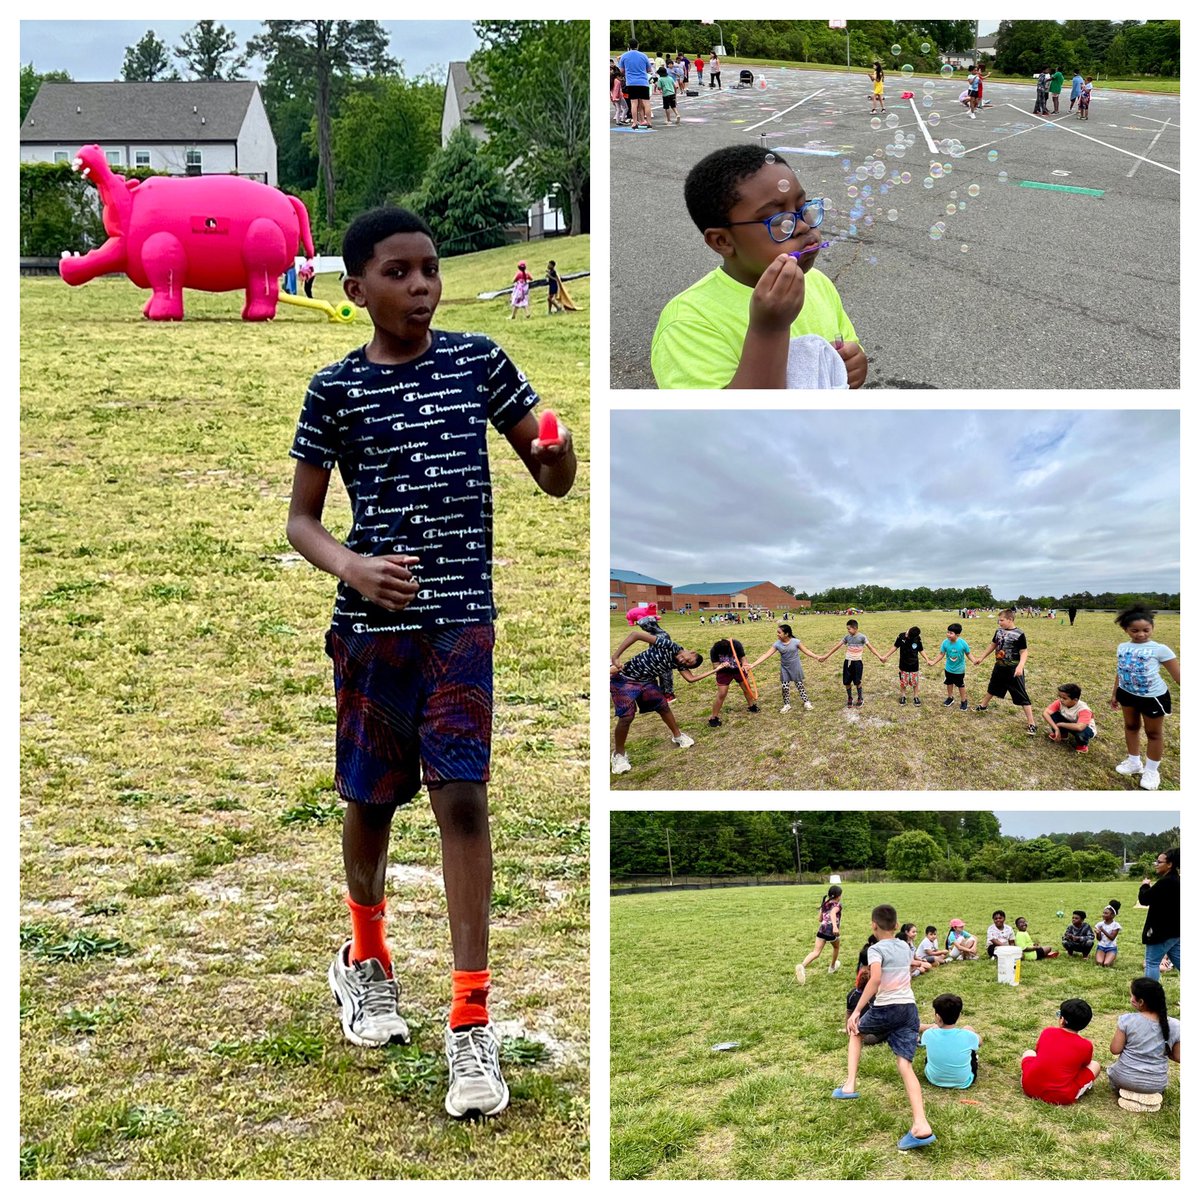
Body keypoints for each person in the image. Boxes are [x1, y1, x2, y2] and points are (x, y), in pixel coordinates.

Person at [286, 206, 576, 1120]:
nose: (421, 287)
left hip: (462, 627)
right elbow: (299, 520)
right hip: (373, 634)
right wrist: (353, 567)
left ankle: (470, 1020)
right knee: (371, 803)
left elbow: (551, 471)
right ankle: (364, 961)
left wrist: (555, 451)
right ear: (356, 289)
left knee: (462, 799)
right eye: (399, 273)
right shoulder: (334, 391)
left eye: (431, 270)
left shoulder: (479, 360)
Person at [652, 146, 865, 390]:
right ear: (722, 241)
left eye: (802, 208)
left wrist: (854, 362)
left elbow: (846, 346)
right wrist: (768, 330)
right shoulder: (688, 323)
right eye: (778, 220)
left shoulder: (817, 281)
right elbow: (727, 423)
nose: (803, 227)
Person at [836, 904, 936, 1151]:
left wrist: (857, 1011)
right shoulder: (904, 945)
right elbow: (909, 964)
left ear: (873, 925)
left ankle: (849, 1085)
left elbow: (876, 978)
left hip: (886, 1007)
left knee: (855, 1031)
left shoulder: (875, 949)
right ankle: (921, 1124)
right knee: (905, 1064)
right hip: (909, 1009)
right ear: (895, 925)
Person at [609, 629, 710, 773]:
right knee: (626, 717)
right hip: (625, 680)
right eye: (687, 659)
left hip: (647, 682)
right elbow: (636, 635)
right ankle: (618, 755)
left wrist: (715, 670)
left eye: (686, 664)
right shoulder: (670, 646)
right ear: (691, 652)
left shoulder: (679, 663)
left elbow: (691, 679)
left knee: (663, 707)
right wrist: (616, 656)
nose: (682, 661)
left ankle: (678, 736)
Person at [1111, 607, 1179, 791]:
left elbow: (1178, 677)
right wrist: (1115, 692)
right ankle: (1134, 762)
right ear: (1126, 630)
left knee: (1154, 733)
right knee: (1131, 727)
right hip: (1127, 694)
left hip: (1152, 698)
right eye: (1135, 630)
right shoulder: (1123, 647)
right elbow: (1121, 670)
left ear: (1152, 628)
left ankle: (1151, 771)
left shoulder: (1160, 649)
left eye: (1146, 630)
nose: (1141, 634)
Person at [1106, 977, 1180, 1112]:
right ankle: (1148, 1097)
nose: (1130, 998)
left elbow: (1115, 1050)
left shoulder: (1127, 1020)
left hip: (1124, 1078)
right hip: (1156, 1084)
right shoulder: (1175, 1025)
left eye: (1132, 996)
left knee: (1112, 1070)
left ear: (1140, 1002)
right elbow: (1178, 1057)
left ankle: (1128, 1093)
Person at [1021, 999, 1101, 1105]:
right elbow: (1085, 1065)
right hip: (1061, 1096)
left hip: (1029, 1087)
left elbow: (1038, 1052)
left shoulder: (1047, 1032)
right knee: (1095, 1065)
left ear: (1062, 1020)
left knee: (1029, 1052)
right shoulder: (1086, 1045)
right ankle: (1083, 1088)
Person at [973, 608, 1037, 736]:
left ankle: (1032, 723)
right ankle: (983, 706)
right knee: (992, 687)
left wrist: (1020, 666)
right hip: (999, 666)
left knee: (1021, 694)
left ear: (1010, 619)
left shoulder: (1019, 633)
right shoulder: (999, 631)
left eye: (1001, 620)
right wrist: (982, 657)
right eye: (999, 620)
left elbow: (1024, 651)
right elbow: (993, 645)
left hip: (1013, 669)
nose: (999, 622)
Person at [748, 623, 821, 713]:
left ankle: (806, 702)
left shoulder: (796, 642)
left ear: (786, 634)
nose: (777, 634)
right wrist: (753, 664)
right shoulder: (777, 644)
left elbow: (806, 651)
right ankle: (787, 705)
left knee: (799, 685)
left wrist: (817, 657)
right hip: (785, 668)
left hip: (795, 667)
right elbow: (766, 655)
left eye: (779, 633)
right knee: (785, 687)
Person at [919, 993, 981, 1089]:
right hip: (964, 1081)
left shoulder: (928, 1034)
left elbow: (923, 1040)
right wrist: (971, 1032)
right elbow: (980, 1042)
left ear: (938, 1017)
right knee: (968, 1032)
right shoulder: (968, 1036)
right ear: (959, 1015)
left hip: (933, 1078)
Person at [821, 619, 887, 708]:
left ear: (855, 628)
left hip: (857, 663)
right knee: (846, 682)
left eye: (849, 629)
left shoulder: (862, 637)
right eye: (847, 629)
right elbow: (837, 646)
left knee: (857, 681)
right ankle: (850, 698)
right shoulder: (847, 637)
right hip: (847, 662)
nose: (848, 631)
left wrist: (880, 657)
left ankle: (860, 698)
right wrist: (826, 656)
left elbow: (871, 648)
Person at [1138, 847, 1179, 979]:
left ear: (1170, 864)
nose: (1156, 864)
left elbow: (1144, 899)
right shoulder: (1177, 880)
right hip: (1175, 932)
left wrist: (1145, 885)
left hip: (1161, 932)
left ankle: (1150, 997)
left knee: (1151, 963)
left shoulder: (1165, 882)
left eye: (1159, 862)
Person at [706, 636, 760, 726]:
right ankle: (714, 717)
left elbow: (743, 658)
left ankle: (751, 706)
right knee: (722, 694)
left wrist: (745, 665)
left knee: (747, 688)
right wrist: (722, 665)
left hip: (738, 669)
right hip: (724, 672)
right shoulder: (714, 650)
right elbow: (715, 666)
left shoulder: (736, 644)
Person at [795, 884, 843, 982]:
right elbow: (833, 913)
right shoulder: (837, 905)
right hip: (831, 931)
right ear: (838, 896)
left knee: (816, 952)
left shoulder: (824, 904)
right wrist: (834, 926)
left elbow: (820, 919)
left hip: (822, 930)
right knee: (836, 947)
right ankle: (832, 967)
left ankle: (802, 966)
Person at [1042, 683, 1097, 753]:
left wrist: (1061, 724)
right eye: (1060, 697)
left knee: (1082, 733)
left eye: (1064, 698)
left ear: (1075, 700)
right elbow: (1045, 713)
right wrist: (1056, 729)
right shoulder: (1060, 702)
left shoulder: (1084, 710)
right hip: (1069, 722)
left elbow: (1080, 727)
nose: (1061, 700)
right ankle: (1062, 734)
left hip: (1085, 728)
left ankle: (1082, 744)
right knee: (1053, 715)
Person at [929, 622, 971, 710]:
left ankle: (964, 700)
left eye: (951, 633)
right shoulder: (945, 643)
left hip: (959, 669)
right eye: (948, 632)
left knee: (960, 685)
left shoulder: (963, 643)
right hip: (948, 668)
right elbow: (941, 654)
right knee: (949, 683)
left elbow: (968, 653)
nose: (948, 634)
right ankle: (950, 698)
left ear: (957, 635)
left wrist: (974, 660)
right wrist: (933, 662)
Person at [619, 39, 653, 130]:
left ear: (629, 45)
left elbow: (621, 71)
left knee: (634, 103)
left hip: (631, 82)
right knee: (646, 103)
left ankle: (635, 122)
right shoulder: (643, 56)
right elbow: (649, 70)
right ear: (638, 45)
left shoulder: (624, 56)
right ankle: (649, 122)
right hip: (643, 82)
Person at [890, 625, 924, 705]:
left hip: (914, 665)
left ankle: (916, 697)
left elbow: (921, 650)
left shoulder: (917, 639)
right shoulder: (901, 636)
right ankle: (903, 696)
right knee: (903, 682)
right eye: (907, 632)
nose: (906, 634)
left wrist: (927, 659)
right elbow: (895, 647)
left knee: (915, 682)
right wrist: (886, 656)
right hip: (903, 664)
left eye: (907, 635)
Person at [1094, 901, 1122, 968]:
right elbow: (1099, 939)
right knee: (1099, 962)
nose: (1103, 914)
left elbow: (1112, 938)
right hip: (1101, 946)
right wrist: (1098, 933)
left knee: (1106, 964)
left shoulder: (1116, 925)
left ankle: (1112, 955)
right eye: (1103, 913)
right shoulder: (1099, 924)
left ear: (1112, 915)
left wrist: (1103, 930)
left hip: (1111, 948)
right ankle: (1104, 955)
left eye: (1106, 913)